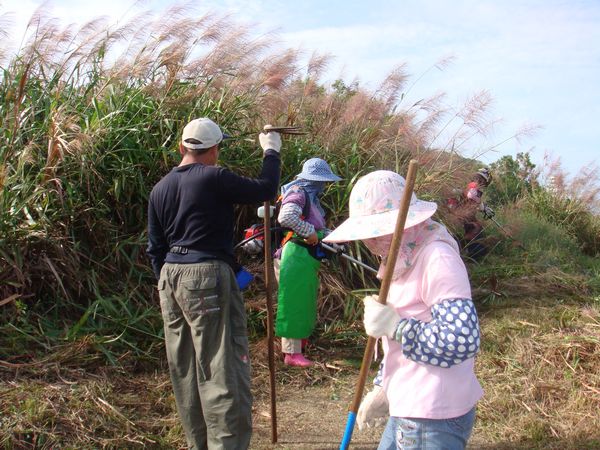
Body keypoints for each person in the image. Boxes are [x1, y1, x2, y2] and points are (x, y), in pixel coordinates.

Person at [146, 118, 281, 449]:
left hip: (170, 277)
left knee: (186, 370)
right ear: (215, 149)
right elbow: (265, 189)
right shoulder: (214, 177)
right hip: (205, 274)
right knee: (221, 368)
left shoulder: (160, 188)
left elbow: (155, 249)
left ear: (182, 147)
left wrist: (169, 282)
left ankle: (199, 445)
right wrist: (272, 152)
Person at [324, 170, 483, 450]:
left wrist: (397, 326)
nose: (370, 242)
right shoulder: (403, 256)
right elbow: (404, 333)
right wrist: (383, 386)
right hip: (409, 403)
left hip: (431, 414)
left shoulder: (437, 258)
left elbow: (463, 340)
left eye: (378, 232)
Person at [274, 158, 341, 367]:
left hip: (305, 257)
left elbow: (315, 225)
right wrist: (309, 232)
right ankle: (291, 355)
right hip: (293, 255)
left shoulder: (311, 198)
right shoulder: (298, 192)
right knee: (293, 304)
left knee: (304, 301)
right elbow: (286, 218)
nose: (323, 185)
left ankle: (300, 346)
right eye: (321, 181)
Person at [446, 167, 493, 260]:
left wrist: (483, 206)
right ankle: (472, 257)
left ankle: (463, 253)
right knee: (477, 231)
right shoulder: (475, 185)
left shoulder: (471, 185)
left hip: (463, 215)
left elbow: (472, 199)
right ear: (483, 179)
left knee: (470, 233)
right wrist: (482, 207)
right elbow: (471, 196)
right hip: (463, 216)